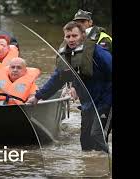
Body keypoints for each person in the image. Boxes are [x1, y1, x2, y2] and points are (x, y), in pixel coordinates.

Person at [27, 21, 112, 152]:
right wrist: (38, 96)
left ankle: (105, 168)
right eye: (68, 36)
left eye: (74, 36)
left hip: (106, 102)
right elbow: (56, 80)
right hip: (88, 104)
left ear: (83, 35)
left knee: (97, 135)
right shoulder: (66, 56)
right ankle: (90, 169)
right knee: (86, 145)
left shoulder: (98, 52)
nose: (71, 39)